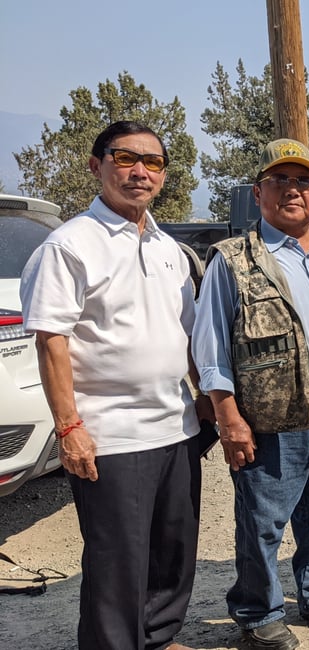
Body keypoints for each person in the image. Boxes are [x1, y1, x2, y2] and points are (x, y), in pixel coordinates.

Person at [19, 121, 205, 650]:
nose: (141, 171)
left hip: (175, 426)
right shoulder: (70, 245)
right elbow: (51, 341)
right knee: (116, 562)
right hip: (111, 436)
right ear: (96, 165)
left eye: (154, 162)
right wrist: (69, 428)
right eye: (126, 158)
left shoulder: (169, 247)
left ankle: (159, 638)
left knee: (172, 552)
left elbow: (187, 334)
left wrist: (206, 400)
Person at [192, 138, 309, 649]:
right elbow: (210, 347)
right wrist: (228, 418)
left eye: (303, 181)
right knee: (263, 521)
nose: (292, 190)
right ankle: (258, 611)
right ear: (259, 192)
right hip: (268, 418)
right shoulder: (233, 260)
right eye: (280, 180)